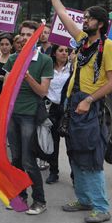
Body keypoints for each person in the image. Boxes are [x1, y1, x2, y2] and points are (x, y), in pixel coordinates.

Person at [45, 0, 112, 223]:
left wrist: (89, 99)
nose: (84, 21)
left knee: (91, 157)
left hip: (89, 106)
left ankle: (101, 206)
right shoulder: (81, 41)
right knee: (75, 154)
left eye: (88, 18)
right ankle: (84, 199)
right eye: (84, 18)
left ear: (99, 23)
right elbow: (63, 14)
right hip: (73, 104)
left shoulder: (108, 47)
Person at [3, 21, 53, 215]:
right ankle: (20, 197)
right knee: (15, 159)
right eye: (22, 34)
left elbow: (42, 92)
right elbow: (7, 89)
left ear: (37, 36)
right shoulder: (13, 58)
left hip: (30, 116)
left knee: (28, 160)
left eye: (28, 34)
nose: (24, 38)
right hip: (12, 115)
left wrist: (27, 76)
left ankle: (40, 200)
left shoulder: (45, 61)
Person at [45, 44, 72, 185]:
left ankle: (75, 175)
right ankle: (53, 172)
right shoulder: (47, 68)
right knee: (53, 143)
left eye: (66, 50)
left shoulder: (73, 69)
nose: (64, 53)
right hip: (51, 109)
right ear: (54, 53)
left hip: (67, 111)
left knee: (70, 144)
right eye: (60, 50)